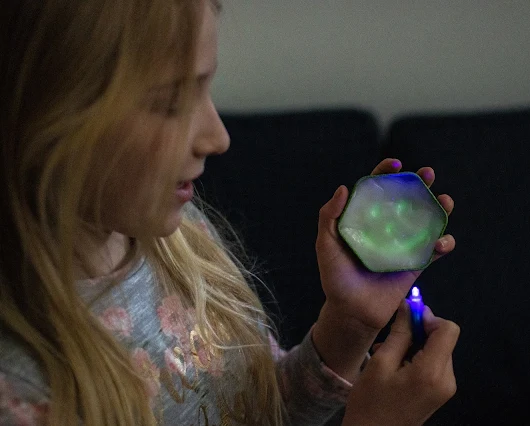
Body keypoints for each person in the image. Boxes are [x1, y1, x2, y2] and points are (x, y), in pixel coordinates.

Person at [0, 0, 460, 424]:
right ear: (48, 116)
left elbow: (258, 409)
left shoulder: (179, 233)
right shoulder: (20, 392)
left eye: (206, 88)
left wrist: (348, 327)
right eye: (171, 103)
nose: (218, 137)